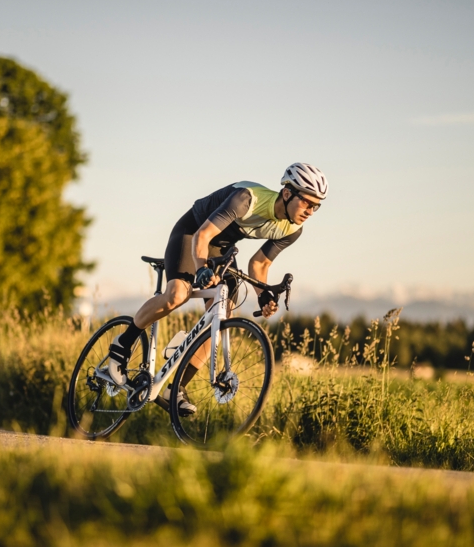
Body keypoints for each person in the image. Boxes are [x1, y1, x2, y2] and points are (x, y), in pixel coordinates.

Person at [107, 162, 329, 414]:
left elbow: (259, 263)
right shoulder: (247, 198)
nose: (311, 210)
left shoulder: (293, 229)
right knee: (178, 293)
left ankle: (174, 389)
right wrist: (201, 267)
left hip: (221, 248)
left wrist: (263, 295)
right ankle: (122, 344)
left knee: (222, 315)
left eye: (316, 205)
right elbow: (202, 237)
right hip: (192, 233)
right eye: (307, 203)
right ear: (288, 193)